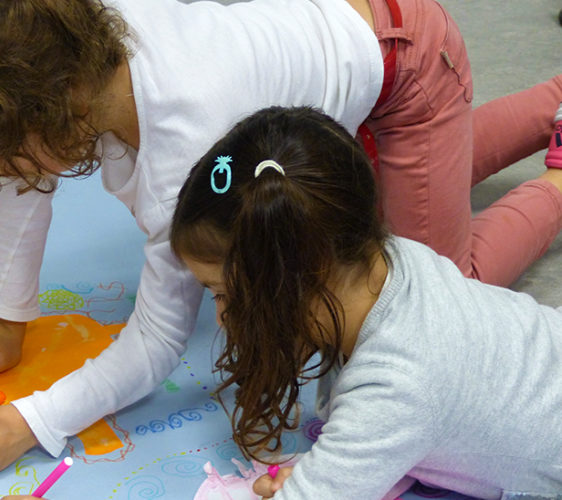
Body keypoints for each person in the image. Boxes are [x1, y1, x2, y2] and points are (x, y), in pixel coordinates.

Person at [0, 0, 562, 473]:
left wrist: (31, 422)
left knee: (443, 290)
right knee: (384, 198)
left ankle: (557, 178)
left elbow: (156, 343)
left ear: (59, 106)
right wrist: (7, 321)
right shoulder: (67, 35)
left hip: (409, 66)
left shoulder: (189, 157)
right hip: (338, 53)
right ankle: (553, 101)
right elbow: (21, 178)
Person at [169, 106, 562, 500]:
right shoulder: (389, 258)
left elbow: (394, 409)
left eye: (223, 294)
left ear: (303, 276)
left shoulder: (396, 382)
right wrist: (330, 473)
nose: (220, 319)